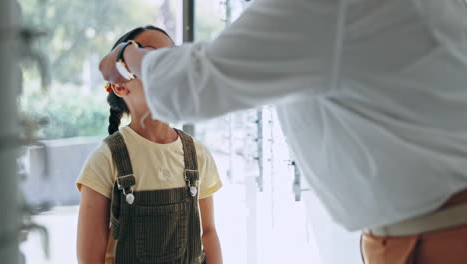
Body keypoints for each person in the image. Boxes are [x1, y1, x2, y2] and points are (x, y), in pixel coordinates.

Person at [99, 1, 467, 263]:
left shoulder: (324, 9)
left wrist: (126, 56)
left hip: (436, 238)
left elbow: (197, 81)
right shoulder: (107, 159)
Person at [77, 26, 223, 264]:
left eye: (171, 59)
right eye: (151, 61)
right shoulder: (105, 160)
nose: (167, 71)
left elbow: (208, 232)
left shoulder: (197, 154)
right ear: (120, 85)